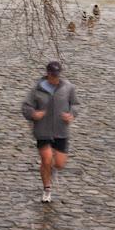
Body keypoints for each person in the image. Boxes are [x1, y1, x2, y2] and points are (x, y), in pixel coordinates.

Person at [22, 61, 79, 203]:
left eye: (57, 75)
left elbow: (75, 105)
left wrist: (71, 114)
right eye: (53, 75)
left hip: (61, 130)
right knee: (46, 159)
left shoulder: (68, 88)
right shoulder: (37, 89)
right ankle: (47, 189)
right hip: (43, 130)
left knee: (59, 164)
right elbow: (26, 107)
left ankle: (51, 170)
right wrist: (33, 114)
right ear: (47, 73)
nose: (55, 78)